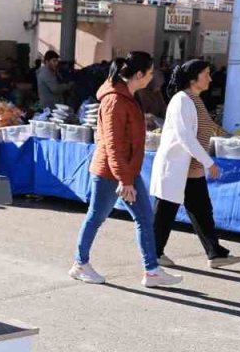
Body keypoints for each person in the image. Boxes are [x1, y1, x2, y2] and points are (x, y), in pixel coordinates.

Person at [68, 52, 181, 288]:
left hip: (125, 171)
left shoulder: (128, 96)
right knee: (96, 217)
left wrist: (127, 176)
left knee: (144, 217)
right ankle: (80, 264)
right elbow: (113, 143)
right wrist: (125, 179)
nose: (152, 78)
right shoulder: (115, 101)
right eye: (150, 73)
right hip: (110, 172)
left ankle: (152, 271)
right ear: (139, 75)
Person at [151, 60, 240, 270]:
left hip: (191, 168)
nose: (210, 78)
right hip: (177, 166)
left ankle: (215, 253)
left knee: (201, 210)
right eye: (206, 74)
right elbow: (186, 137)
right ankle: (153, 253)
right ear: (193, 78)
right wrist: (209, 162)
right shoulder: (181, 100)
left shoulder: (194, 99)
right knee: (165, 211)